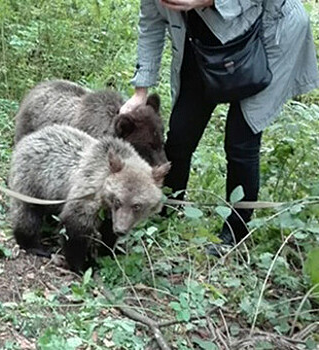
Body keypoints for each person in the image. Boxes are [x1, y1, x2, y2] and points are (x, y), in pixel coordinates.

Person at [120, 0, 319, 254]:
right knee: (181, 133)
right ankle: (166, 211)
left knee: (241, 138)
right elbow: (150, 24)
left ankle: (234, 237)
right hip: (203, 43)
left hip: (268, 32)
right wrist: (141, 91)